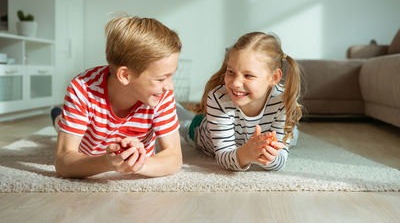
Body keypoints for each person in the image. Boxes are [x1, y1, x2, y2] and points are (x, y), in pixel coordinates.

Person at [51, 15, 183, 178]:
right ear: (125, 75)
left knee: (66, 125)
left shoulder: (161, 93)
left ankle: (60, 119)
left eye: (170, 76)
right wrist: (107, 162)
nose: (170, 86)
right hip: (90, 151)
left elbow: (174, 157)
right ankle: (58, 118)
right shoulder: (82, 88)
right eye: (162, 78)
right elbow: (63, 162)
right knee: (61, 126)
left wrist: (137, 163)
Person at [179, 32, 302, 171]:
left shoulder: (282, 101)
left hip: (247, 135)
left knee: (291, 137)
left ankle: (292, 131)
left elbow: (279, 162)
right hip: (203, 132)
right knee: (179, 124)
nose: (236, 83)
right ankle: (177, 109)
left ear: (274, 78)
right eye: (231, 72)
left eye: (248, 75)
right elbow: (224, 157)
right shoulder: (218, 99)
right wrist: (247, 154)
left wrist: (271, 156)